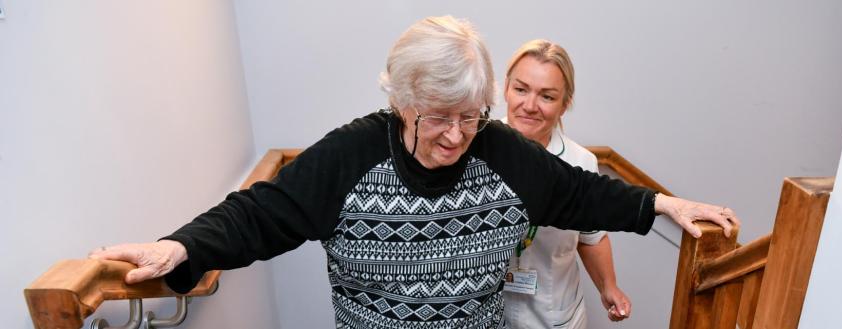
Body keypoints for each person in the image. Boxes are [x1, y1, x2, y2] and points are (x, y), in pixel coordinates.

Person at [88, 16, 740, 329]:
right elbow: (261, 213)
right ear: (401, 101)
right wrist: (182, 247)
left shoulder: (500, 150)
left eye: (471, 116)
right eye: (437, 117)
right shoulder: (352, 155)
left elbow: (580, 192)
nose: (456, 135)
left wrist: (663, 205)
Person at [500, 39, 629, 328]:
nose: (529, 106)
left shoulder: (580, 162)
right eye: (521, 89)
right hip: (489, 315)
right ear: (506, 88)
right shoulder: (474, 149)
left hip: (554, 316)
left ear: (565, 104)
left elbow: (591, 236)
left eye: (547, 96)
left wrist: (608, 286)